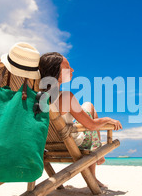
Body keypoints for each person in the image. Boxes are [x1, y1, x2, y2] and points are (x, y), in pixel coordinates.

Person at [39, 52, 122, 187]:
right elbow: (92, 126)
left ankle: (97, 156)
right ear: (57, 74)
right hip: (72, 142)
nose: (72, 70)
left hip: (48, 143)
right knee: (90, 112)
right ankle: (96, 156)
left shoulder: (36, 98)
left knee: (87, 105)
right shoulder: (66, 98)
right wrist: (107, 119)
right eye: (68, 68)